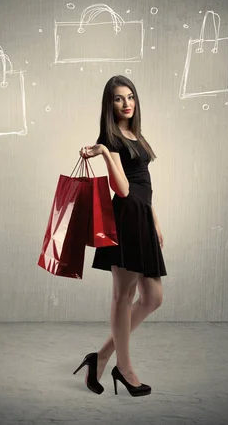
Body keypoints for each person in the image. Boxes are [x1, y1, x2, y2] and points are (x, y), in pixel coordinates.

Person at [72, 75, 167, 397]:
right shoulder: (110, 138)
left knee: (153, 298)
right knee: (123, 297)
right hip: (126, 219)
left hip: (143, 217)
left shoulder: (135, 134)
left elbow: (145, 184)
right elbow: (123, 190)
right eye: (118, 99)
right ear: (108, 104)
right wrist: (105, 153)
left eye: (130, 97)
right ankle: (124, 369)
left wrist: (154, 222)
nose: (126, 103)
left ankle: (100, 357)